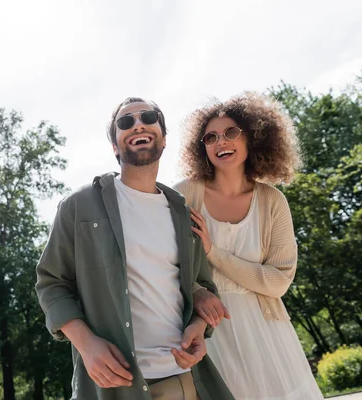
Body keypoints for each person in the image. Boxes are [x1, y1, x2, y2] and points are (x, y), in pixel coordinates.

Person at [35, 97, 234, 400]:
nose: (138, 123)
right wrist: (87, 345)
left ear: (163, 138)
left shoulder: (182, 211)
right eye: (125, 122)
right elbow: (51, 284)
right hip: (111, 387)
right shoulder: (79, 206)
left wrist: (197, 326)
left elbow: (202, 287)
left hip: (182, 380)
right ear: (115, 145)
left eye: (148, 117)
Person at [174, 92, 324, 399]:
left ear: (253, 138)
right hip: (206, 330)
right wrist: (195, 291)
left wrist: (213, 253)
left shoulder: (273, 201)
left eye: (231, 132)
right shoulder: (185, 195)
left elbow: (279, 281)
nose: (220, 142)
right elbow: (163, 262)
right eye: (210, 137)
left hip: (266, 330)